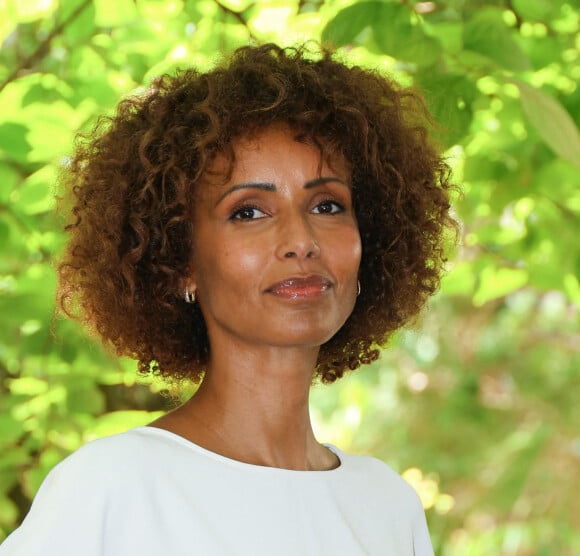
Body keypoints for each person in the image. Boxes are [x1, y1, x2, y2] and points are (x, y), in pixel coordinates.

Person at [0, 43, 455, 555]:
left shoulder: (387, 505)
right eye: (248, 212)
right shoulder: (114, 487)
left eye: (327, 205)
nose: (301, 240)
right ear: (180, 262)